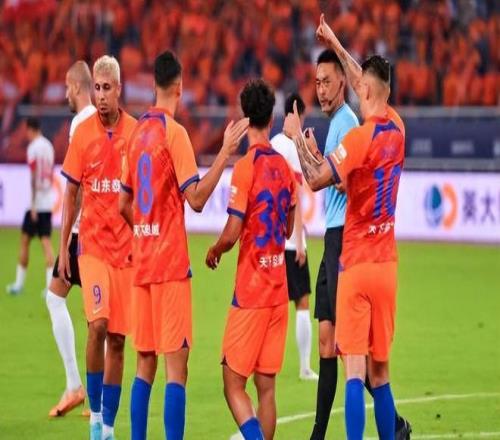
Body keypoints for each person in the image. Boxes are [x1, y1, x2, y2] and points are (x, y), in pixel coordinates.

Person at [285, 13, 410, 440]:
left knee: (355, 371)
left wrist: (298, 140)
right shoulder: (397, 128)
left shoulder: (357, 140)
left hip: (355, 263)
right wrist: (336, 43)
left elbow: (316, 179)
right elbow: (363, 78)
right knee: (382, 372)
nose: (355, 86)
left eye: (358, 85)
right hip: (387, 264)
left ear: (365, 91)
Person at [119, 50, 248, 440]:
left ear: (154, 84)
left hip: (141, 265)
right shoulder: (173, 133)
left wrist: (144, 230)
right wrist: (225, 152)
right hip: (170, 267)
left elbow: (123, 204)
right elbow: (196, 199)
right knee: (176, 370)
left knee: (144, 366)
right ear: (179, 86)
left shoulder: (135, 134)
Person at [205, 79, 296, 440]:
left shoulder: (246, 167)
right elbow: (288, 229)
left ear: (245, 119)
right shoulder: (284, 168)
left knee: (232, 382)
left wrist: (216, 249)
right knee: (266, 387)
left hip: (251, 292)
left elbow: (232, 231)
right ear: (271, 120)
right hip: (278, 292)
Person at [58, 55, 136, 440]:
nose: (101, 95)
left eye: (107, 88)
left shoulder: (135, 133)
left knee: (118, 341)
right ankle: (94, 415)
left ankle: (107, 427)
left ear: (119, 89)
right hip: (91, 248)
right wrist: (62, 249)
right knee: (98, 325)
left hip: (126, 253)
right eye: (97, 88)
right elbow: (70, 194)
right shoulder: (83, 134)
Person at [46, 60, 96, 418]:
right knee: (100, 318)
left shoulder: (81, 123)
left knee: (55, 298)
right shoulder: (105, 120)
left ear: (77, 86)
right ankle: (97, 396)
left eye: (67, 87)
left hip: (82, 232)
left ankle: (75, 385)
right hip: (102, 232)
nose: (65, 93)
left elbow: (74, 190)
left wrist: (64, 243)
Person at [270, 92, 318, 381]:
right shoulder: (291, 147)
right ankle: (304, 367)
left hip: (271, 240)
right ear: (296, 113)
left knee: (272, 306)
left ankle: (264, 365)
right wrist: (299, 241)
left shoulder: (273, 144)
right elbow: (296, 196)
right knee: (301, 302)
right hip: (290, 241)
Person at [6, 117, 55, 295]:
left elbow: (34, 177)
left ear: (29, 129)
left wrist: (33, 204)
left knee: (25, 241)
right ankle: (49, 287)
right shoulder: (49, 146)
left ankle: (19, 284)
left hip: (36, 204)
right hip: (48, 201)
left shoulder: (33, 148)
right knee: (45, 242)